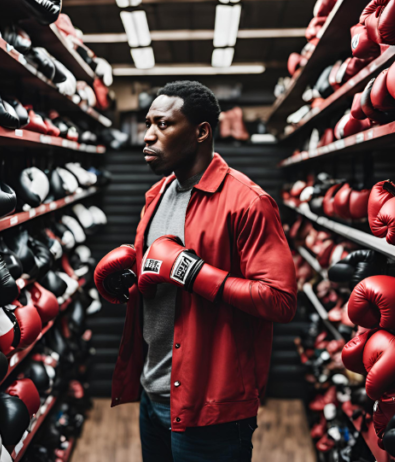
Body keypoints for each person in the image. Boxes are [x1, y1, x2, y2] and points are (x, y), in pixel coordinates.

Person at [94, 81, 298, 462]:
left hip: (211, 406)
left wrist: (192, 271)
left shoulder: (248, 203)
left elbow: (280, 300)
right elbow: (162, 281)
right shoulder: (155, 197)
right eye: (147, 123)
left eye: (163, 124)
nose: (148, 135)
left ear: (201, 131)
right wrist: (133, 279)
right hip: (153, 392)